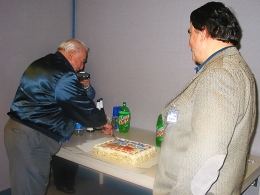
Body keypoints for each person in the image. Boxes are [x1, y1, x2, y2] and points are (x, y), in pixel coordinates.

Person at [153, 2, 256, 195]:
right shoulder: (236, 69)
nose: (189, 42)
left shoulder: (220, 75)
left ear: (205, 31)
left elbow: (207, 157)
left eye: (190, 33)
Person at [4, 38, 113, 195]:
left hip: (18, 130)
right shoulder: (63, 74)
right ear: (71, 53)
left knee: (24, 187)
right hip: (32, 137)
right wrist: (103, 121)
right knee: (30, 189)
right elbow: (78, 103)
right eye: (82, 61)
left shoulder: (42, 63)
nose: (81, 67)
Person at [51, 72, 96, 194]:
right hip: (58, 122)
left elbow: (90, 96)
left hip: (74, 123)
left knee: (74, 151)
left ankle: (70, 181)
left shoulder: (77, 79)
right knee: (59, 153)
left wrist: (86, 86)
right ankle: (60, 183)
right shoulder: (59, 80)